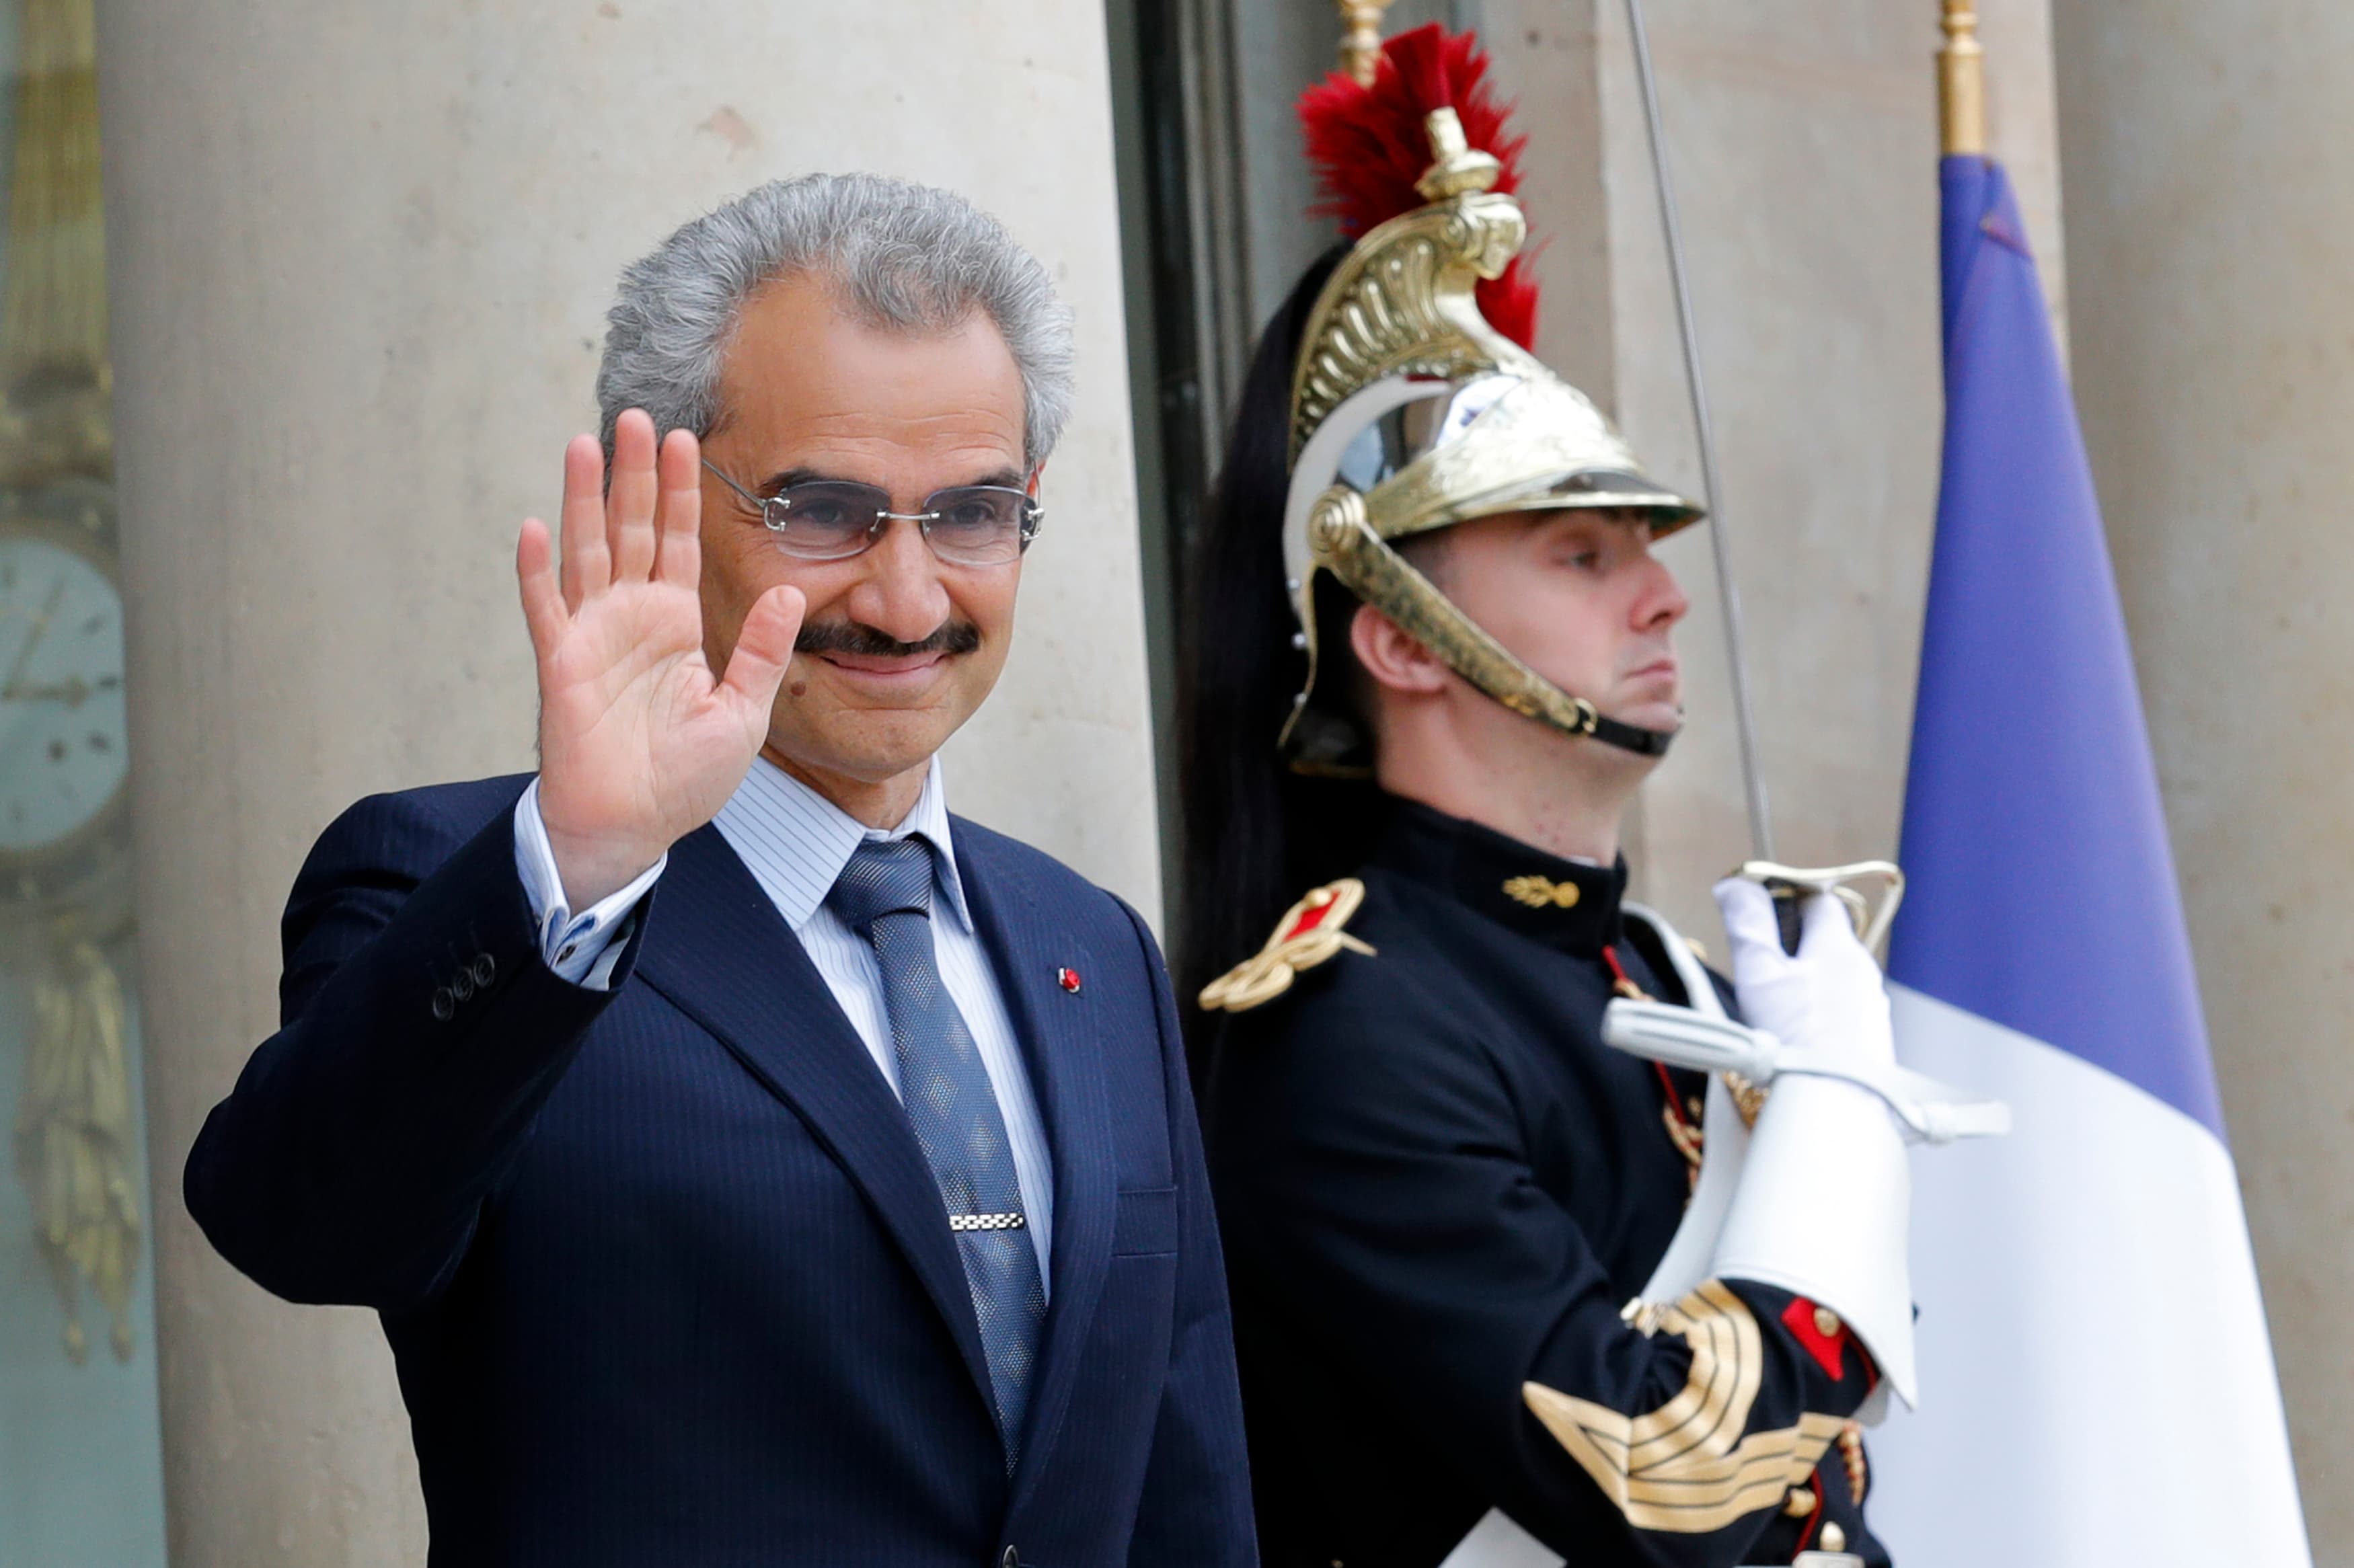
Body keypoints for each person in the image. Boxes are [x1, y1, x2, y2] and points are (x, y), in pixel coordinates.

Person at [186, 173, 1252, 1568]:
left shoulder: (1087, 941)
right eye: (824, 510)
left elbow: (1182, 1480)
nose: (909, 599)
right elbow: (304, 1228)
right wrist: (585, 857)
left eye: (971, 512)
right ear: (663, 496)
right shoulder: (489, 890)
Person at [1180, 28, 1920, 1568]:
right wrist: (1840, 1120)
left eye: (1642, 546)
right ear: (1397, 634)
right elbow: (1674, 1488)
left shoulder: (1651, 972)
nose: (1661, 597)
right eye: (1582, 554)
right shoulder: (1348, 1027)